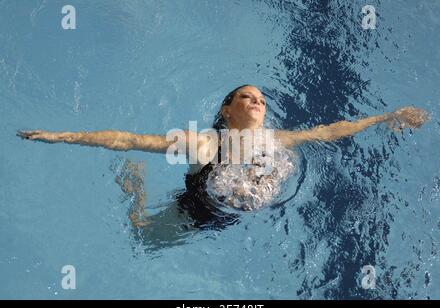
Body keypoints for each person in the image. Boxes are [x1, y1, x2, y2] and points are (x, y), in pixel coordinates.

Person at [17, 85, 430, 234]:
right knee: (143, 238)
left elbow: (332, 130)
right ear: (227, 110)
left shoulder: (278, 139)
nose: (257, 101)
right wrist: (63, 136)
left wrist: (386, 117)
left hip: (244, 214)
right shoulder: (204, 145)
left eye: (261, 99)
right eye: (246, 97)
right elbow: (131, 140)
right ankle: (135, 189)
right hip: (196, 214)